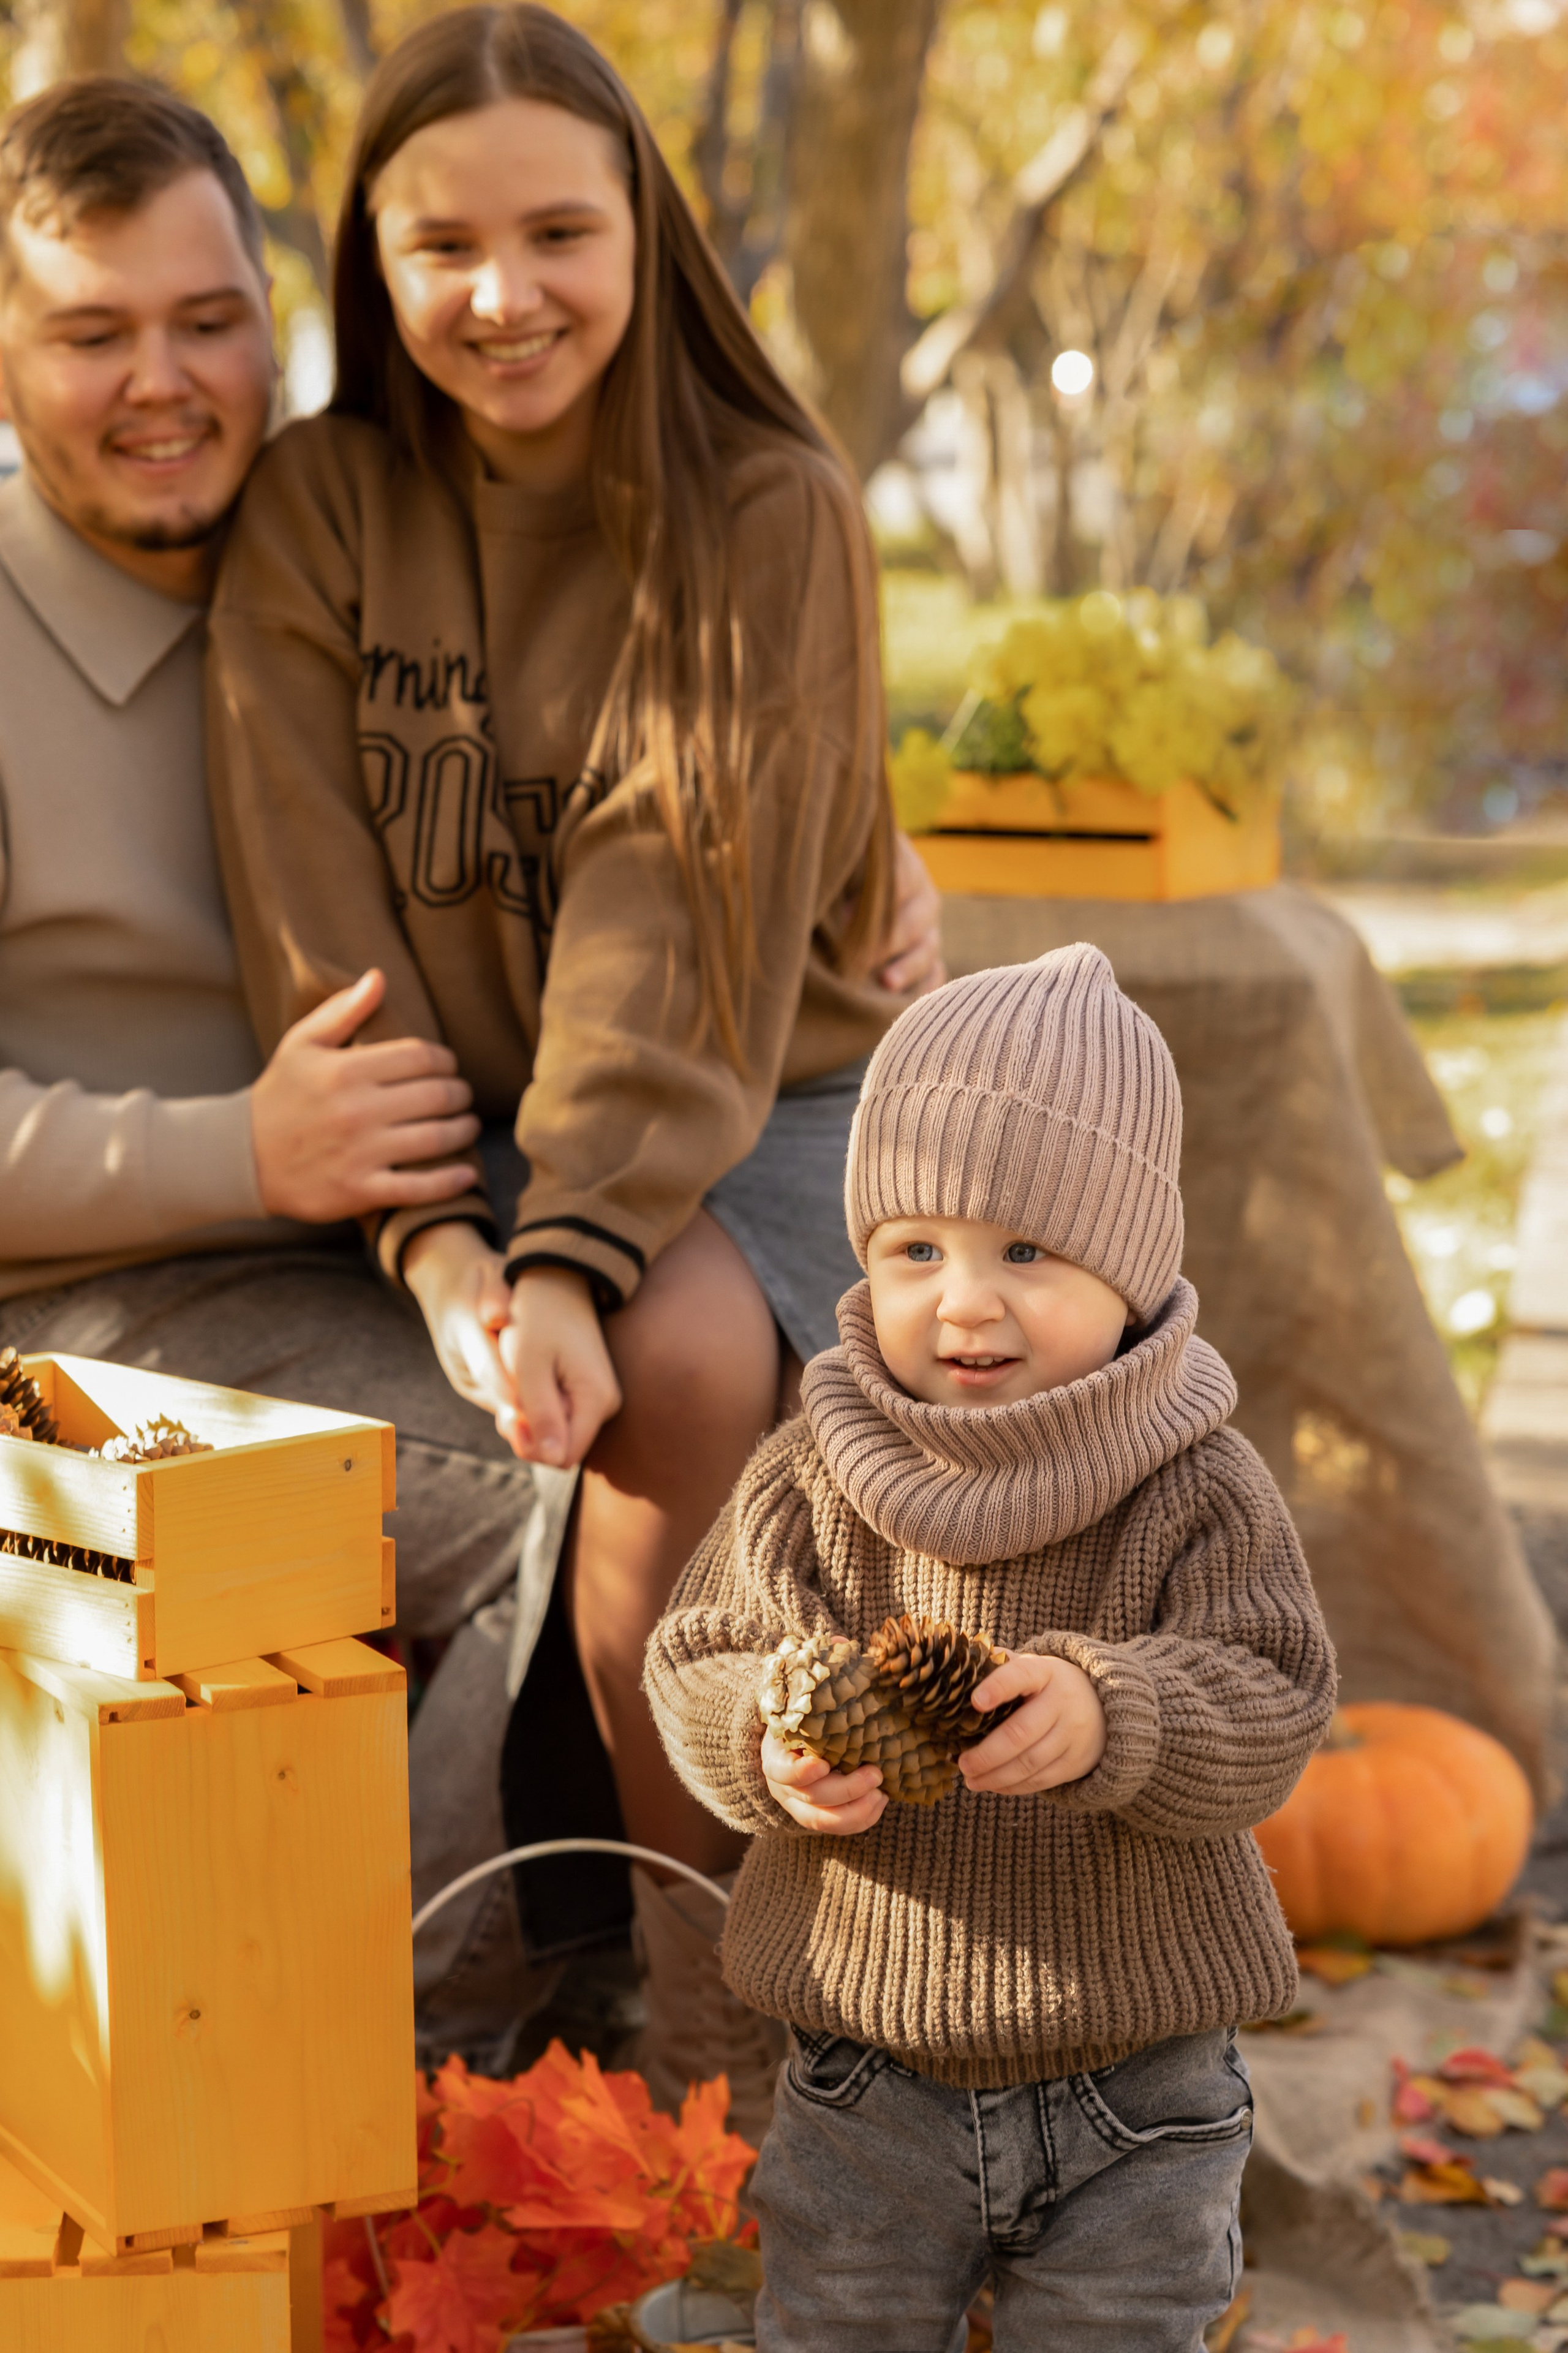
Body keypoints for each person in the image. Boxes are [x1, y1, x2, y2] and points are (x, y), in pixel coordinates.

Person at [0, 69, 942, 2076]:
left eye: (203, 320)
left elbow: (629, 816)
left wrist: (841, 836)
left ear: (279, 313)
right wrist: (242, 1148)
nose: (161, 382)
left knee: (671, 1413)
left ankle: (677, 2026)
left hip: (434, 1205)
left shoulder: (308, 521)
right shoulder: (161, 576)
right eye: (90, 334)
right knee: (576, 1479)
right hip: (101, 1313)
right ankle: (443, 2063)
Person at [645, 945, 1338, 2351]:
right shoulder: (813, 1472)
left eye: (1024, 1250)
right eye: (916, 1250)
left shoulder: (1190, 1480)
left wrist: (1114, 1710)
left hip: (1133, 2085)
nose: (963, 1302)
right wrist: (765, 1743)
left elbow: (1274, 1691)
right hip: (865, 2076)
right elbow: (700, 1650)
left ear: (1130, 1269)